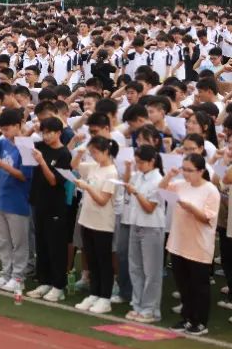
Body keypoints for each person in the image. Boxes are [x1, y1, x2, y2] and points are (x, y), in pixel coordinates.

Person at [160, 153, 221, 335]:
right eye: (184, 169)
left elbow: (207, 218)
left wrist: (191, 208)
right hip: (178, 242)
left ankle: (200, 321)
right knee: (183, 284)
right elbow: (160, 190)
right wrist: (169, 175)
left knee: (199, 286)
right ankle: (186, 317)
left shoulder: (211, 190)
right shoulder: (180, 185)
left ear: (201, 171)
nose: (186, 174)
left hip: (198, 245)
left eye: (190, 170)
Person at [27, 117, 73, 302]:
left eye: (50, 132)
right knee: (42, 244)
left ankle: (58, 285)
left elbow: (54, 180)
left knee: (56, 247)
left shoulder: (64, 154)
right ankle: (44, 281)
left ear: (59, 133)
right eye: (44, 132)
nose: (46, 136)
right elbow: (21, 141)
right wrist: (32, 129)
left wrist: (42, 162)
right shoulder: (40, 146)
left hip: (56, 205)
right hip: (39, 202)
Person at [0, 109, 34, 293]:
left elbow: (25, 176)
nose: (5, 133)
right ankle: (5, 273)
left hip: (18, 201)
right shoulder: (3, 142)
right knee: (4, 241)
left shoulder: (27, 146)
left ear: (18, 126)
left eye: (8, 129)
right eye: (3, 129)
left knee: (19, 242)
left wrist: (3, 165)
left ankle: (18, 277)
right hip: (2, 199)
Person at [74, 136, 119, 314]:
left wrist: (87, 187)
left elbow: (102, 200)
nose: (92, 155)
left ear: (106, 152)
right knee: (92, 260)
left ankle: (105, 298)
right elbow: (75, 165)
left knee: (103, 261)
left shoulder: (112, 173)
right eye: (91, 152)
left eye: (95, 152)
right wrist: (80, 153)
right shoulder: (94, 166)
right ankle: (94, 293)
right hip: (87, 219)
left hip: (103, 223)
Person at [123, 145, 165, 323]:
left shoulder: (158, 180)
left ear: (152, 162)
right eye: (136, 161)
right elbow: (127, 188)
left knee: (152, 271)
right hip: (136, 224)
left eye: (141, 162)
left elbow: (149, 207)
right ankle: (138, 304)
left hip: (152, 227)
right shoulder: (138, 175)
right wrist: (127, 170)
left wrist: (136, 192)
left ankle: (151, 309)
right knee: (136, 268)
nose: (138, 165)